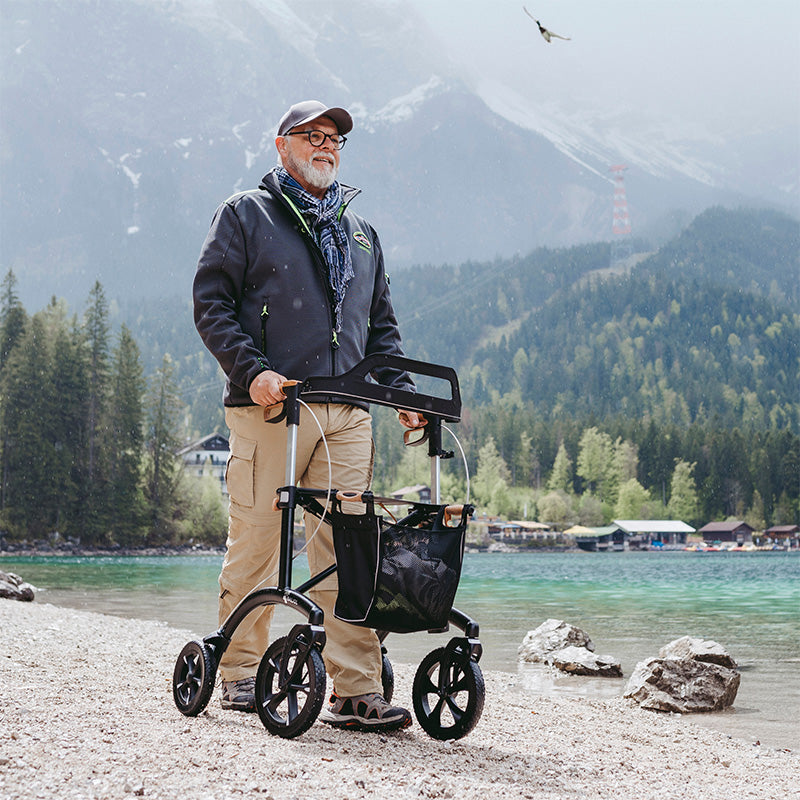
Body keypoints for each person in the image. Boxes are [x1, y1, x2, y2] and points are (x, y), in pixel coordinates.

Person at [192, 100, 424, 732]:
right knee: (260, 542)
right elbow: (210, 302)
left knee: (350, 546)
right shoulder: (245, 215)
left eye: (335, 139)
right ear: (281, 145)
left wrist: (402, 397)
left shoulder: (361, 235)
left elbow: (382, 332)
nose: (326, 147)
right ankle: (240, 671)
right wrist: (252, 370)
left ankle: (354, 689)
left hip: (348, 413)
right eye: (312, 136)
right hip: (274, 407)